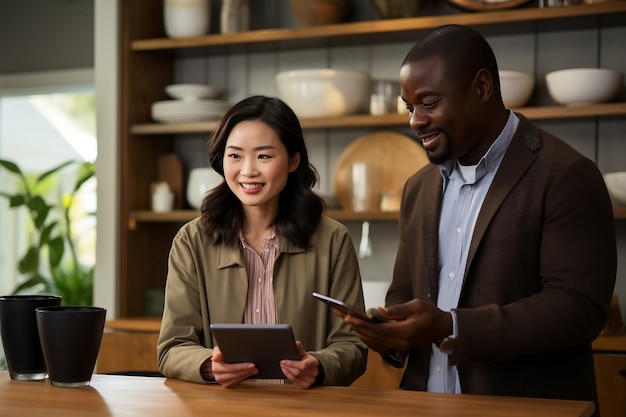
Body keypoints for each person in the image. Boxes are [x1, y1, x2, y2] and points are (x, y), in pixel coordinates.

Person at [341, 24, 617, 410]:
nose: (415, 120)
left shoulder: (566, 174)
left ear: (482, 88)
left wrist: (451, 326)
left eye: (429, 102)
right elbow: (404, 291)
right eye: (409, 107)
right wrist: (389, 331)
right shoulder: (417, 187)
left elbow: (577, 310)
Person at [157, 95, 367, 389]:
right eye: (235, 156)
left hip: (303, 409)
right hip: (221, 409)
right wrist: (209, 365)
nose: (248, 170)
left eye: (263, 156)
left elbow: (353, 346)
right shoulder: (192, 241)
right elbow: (172, 347)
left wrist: (319, 366)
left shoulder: (332, 239)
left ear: (293, 160)